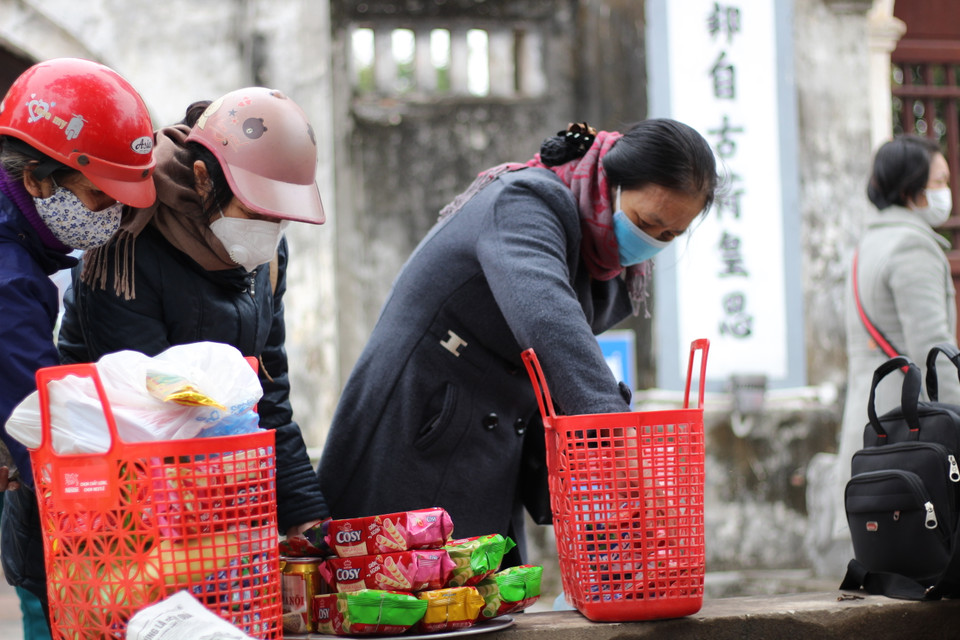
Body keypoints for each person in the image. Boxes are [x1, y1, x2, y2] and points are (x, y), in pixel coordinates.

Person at [318, 119, 719, 565]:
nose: (652, 242)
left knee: (481, 601)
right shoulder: (526, 201)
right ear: (611, 184)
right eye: (647, 223)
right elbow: (550, 321)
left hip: (492, 438)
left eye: (670, 236)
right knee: (393, 597)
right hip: (422, 424)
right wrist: (620, 441)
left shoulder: (601, 254)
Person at [56, 87, 330, 545]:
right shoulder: (125, 248)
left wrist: (307, 516)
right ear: (203, 178)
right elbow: (147, 417)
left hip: (213, 518)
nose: (270, 231)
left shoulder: (267, 253)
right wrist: (229, 531)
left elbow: (268, 400)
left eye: (279, 218)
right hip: (114, 522)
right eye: (256, 211)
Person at [0, 57, 157, 637]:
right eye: (97, 195)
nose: (111, 216)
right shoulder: (9, 283)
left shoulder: (22, 245)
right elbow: (45, 438)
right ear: (37, 181)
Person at [831, 134, 960, 543]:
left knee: (889, 546)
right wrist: (956, 416)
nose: (946, 192)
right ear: (911, 189)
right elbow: (933, 347)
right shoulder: (912, 247)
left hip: (873, 418)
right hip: (912, 426)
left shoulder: (870, 242)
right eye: (939, 182)